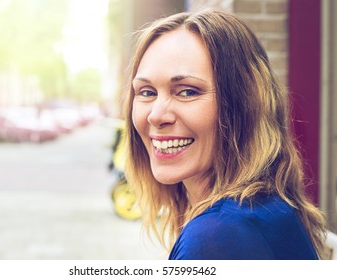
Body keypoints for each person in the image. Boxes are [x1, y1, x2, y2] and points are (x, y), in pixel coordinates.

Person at [123, 9, 327, 260]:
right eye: (146, 92)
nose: (156, 115)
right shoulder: (261, 209)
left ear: (245, 104)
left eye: (187, 91)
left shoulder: (217, 236)